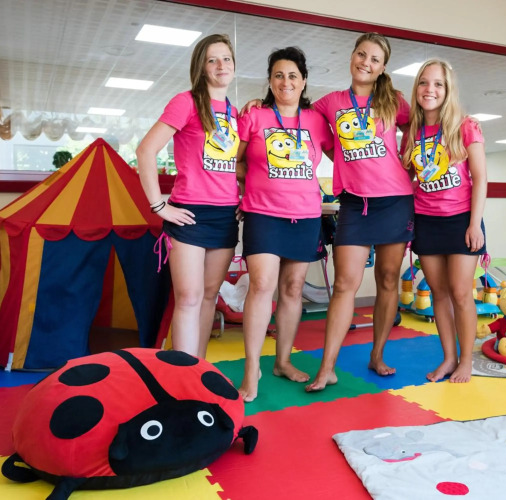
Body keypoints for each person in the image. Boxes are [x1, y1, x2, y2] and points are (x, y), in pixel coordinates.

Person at [306, 32, 414, 391]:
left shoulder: (393, 101)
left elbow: (419, 127)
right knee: (343, 285)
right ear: (352, 56)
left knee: (388, 280)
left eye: (374, 59)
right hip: (354, 203)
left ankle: (377, 355)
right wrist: (258, 104)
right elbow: (298, 117)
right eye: (361, 54)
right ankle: (327, 367)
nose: (366, 63)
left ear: (382, 68)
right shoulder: (331, 102)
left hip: (395, 201)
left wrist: (409, 161)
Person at [236, 47, 333, 402]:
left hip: (305, 215)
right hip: (263, 214)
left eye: (292, 75)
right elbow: (233, 161)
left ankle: (282, 361)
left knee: (293, 289)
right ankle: (252, 369)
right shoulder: (254, 116)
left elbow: (343, 156)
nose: (285, 81)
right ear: (269, 81)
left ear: (303, 81)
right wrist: (248, 186)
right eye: (278, 75)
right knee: (262, 285)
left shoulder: (316, 121)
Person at [137, 34, 240, 359]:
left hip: (225, 215)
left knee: (209, 297)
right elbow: (145, 150)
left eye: (226, 58)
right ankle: (181, 375)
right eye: (212, 60)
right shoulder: (187, 102)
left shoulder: (234, 112)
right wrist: (159, 206)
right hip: (189, 214)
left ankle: (198, 370)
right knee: (190, 298)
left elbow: (239, 165)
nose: (221, 65)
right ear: (201, 67)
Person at [401, 59, 487, 383]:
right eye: (424, 82)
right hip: (427, 220)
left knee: (461, 293)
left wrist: (475, 224)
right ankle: (448, 358)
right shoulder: (412, 132)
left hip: (461, 220)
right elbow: (406, 178)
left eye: (438, 84)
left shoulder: (466, 126)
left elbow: (480, 178)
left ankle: (466, 360)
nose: (430, 89)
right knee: (438, 293)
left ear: (448, 90)